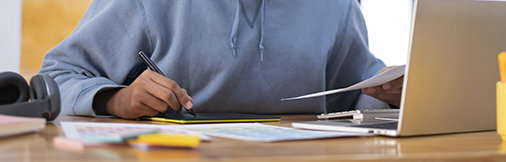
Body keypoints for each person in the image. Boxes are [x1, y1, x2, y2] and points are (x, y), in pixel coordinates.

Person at [39, 0, 403, 119]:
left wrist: (394, 94)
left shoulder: (336, 7)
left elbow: (352, 97)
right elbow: (57, 75)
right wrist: (114, 99)